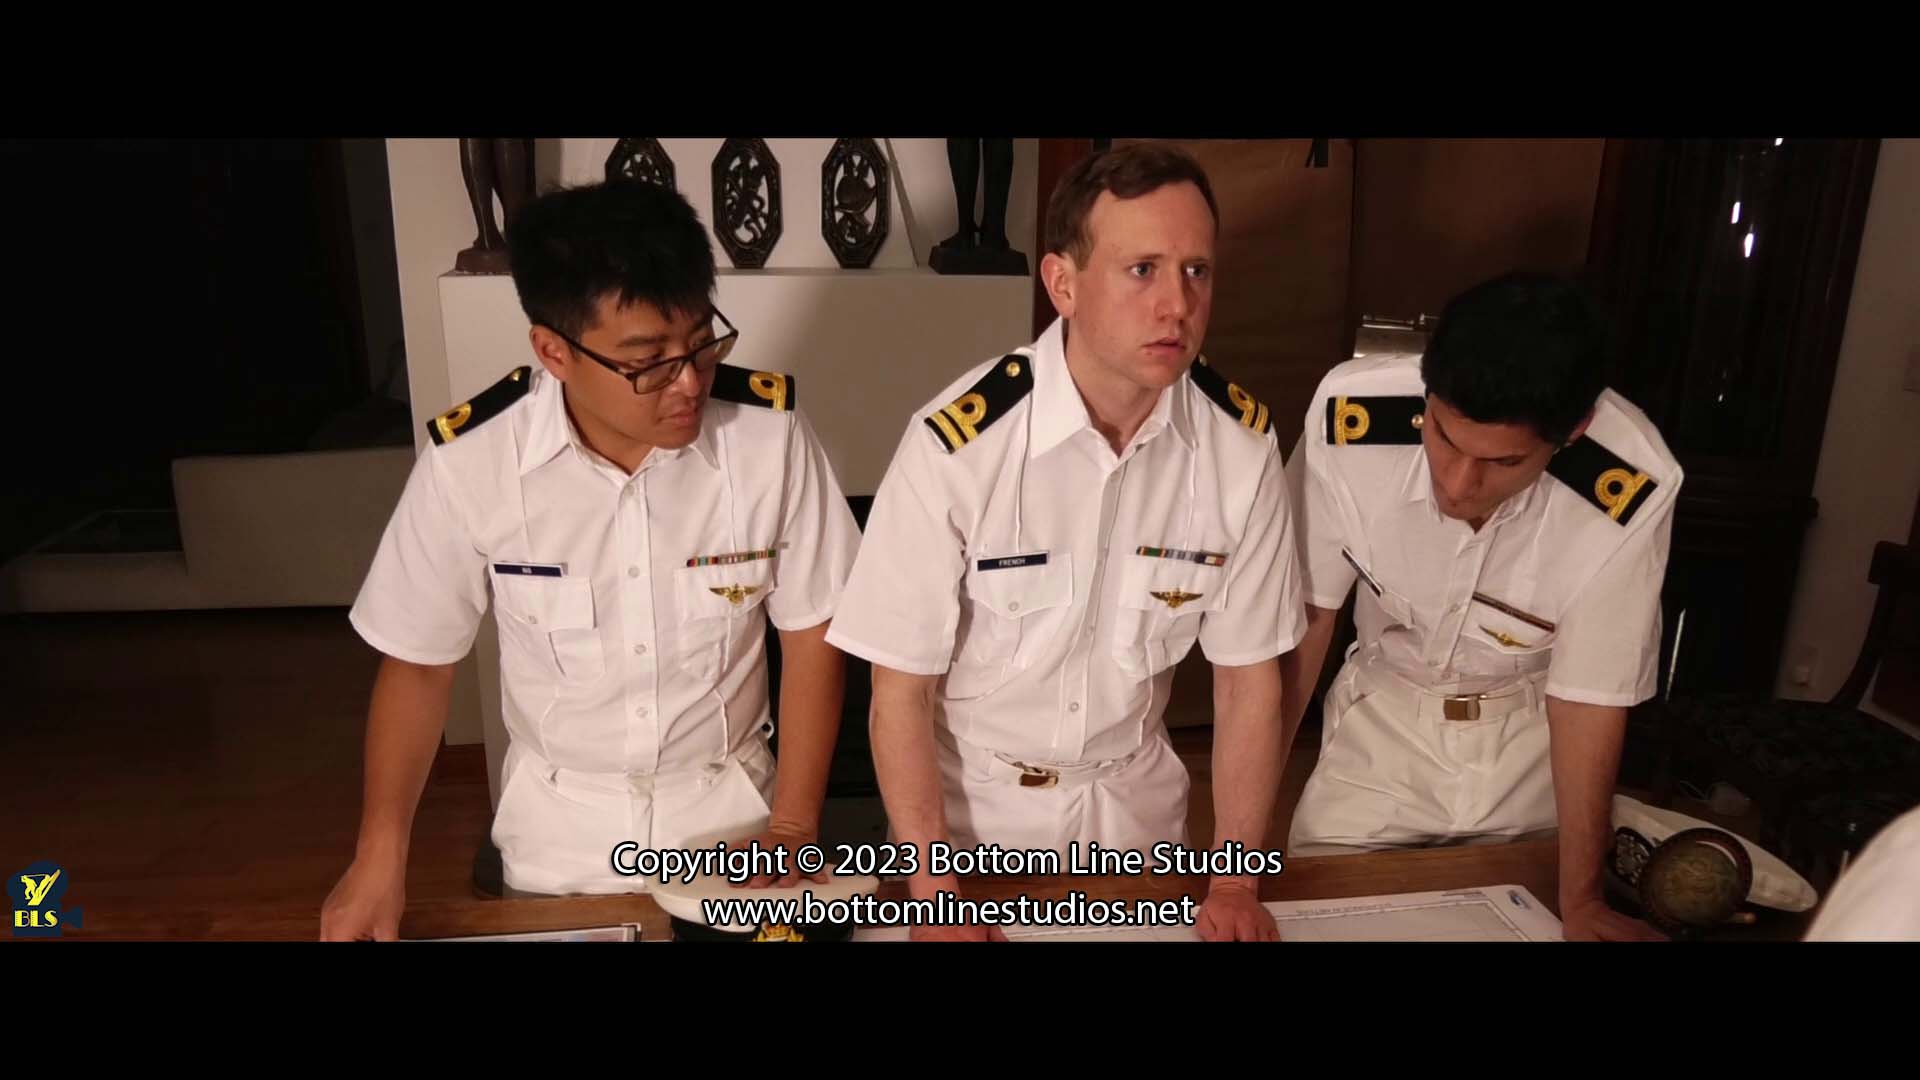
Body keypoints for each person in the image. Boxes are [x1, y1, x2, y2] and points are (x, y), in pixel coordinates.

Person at [320, 180, 861, 939]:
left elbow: (814, 633)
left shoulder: (769, 441)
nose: (688, 382)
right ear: (554, 352)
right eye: (648, 361)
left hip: (736, 832)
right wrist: (379, 857)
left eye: (701, 342)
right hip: (559, 845)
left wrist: (794, 827)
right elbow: (418, 666)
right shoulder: (473, 462)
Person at [826, 143, 1307, 942]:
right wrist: (935, 890)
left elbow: (1248, 683)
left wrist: (1233, 880)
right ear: (1062, 284)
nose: (1177, 305)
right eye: (1142, 270)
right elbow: (899, 692)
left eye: (1196, 271)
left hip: (1140, 826)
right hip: (972, 831)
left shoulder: (1240, 451)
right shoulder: (958, 447)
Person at [1279, 271, 1681, 942]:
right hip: (1380, 728)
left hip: (1529, 741)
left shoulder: (1631, 485)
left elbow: (1588, 697)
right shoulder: (1348, 419)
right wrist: (1235, 856)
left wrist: (1581, 898)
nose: (1459, 484)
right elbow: (1305, 623)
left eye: (1503, 463)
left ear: (1574, 432)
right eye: (1443, 438)